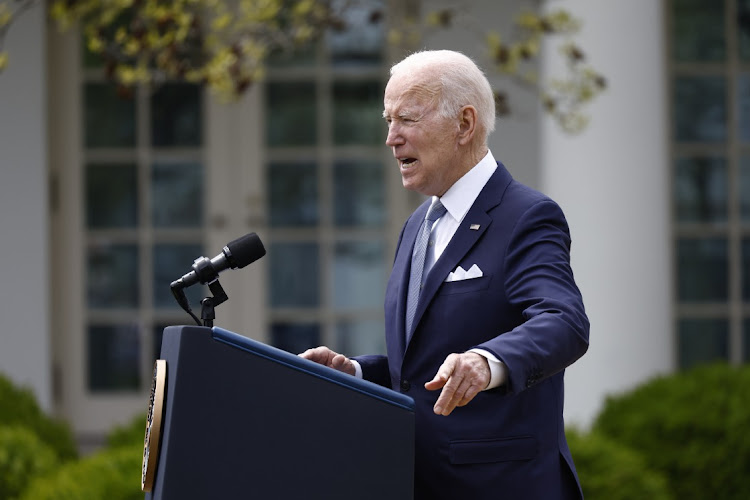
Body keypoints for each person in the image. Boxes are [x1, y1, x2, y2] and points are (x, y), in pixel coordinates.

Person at [300, 49, 589, 500]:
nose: (392, 138)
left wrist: (485, 362)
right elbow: (419, 372)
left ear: (465, 124)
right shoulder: (418, 224)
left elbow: (564, 321)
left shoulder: (527, 216)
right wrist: (355, 372)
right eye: (388, 120)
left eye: (408, 120)